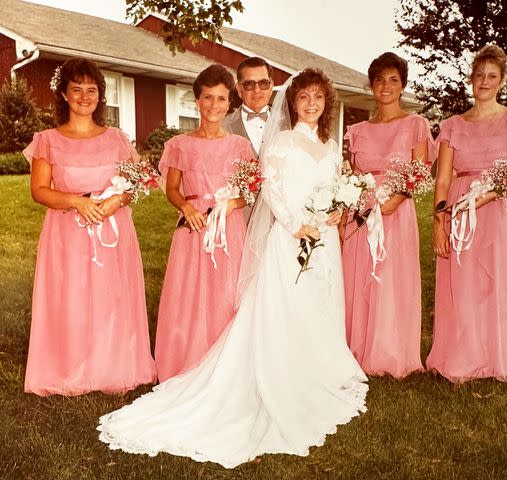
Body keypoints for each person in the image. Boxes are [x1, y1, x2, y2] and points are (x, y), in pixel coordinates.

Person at [98, 68, 368, 468]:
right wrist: (297, 226)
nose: (311, 104)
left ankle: (317, 368)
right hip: (292, 235)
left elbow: (333, 188)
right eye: (303, 98)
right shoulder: (282, 144)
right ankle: (281, 373)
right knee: (286, 308)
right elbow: (272, 192)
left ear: (327, 102)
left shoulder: (330, 147)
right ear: (292, 103)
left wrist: (338, 208)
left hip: (323, 241)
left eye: (318, 98)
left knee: (319, 304)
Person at [23, 58, 156, 396]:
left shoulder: (116, 138)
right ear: (64, 94)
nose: (84, 96)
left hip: (113, 228)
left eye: (91, 90)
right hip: (67, 232)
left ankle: (112, 366)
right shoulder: (47, 139)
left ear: (101, 96)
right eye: (76, 89)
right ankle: (70, 368)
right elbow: (39, 191)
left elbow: (137, 180)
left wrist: (117, 202)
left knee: (111, 297)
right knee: (71, 299)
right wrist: (77, 201)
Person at [427, 45, 507, 383]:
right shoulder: (452, 125)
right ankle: (463, 355)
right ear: (470, 79)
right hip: (460, 208)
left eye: (492, 76)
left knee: (498, 281)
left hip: (498, 209)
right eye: (479, 75)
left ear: (501, 81)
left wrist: (487, 195)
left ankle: (499, 355)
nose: (484, 82)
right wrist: (440, 222)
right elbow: (443, 179)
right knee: (464, 281)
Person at [154, 65, 253, 382]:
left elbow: (251, 189)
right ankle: (188, 357)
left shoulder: (239, 146)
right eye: (208, 97)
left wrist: (231, 204)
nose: (214, 105)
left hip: (229, 224)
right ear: (197, 100)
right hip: (194, 225)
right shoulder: (180, 144)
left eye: (221, 99)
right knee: (190, 292)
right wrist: (185, 206)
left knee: (226, 292)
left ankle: (226, 362)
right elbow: (172, 188)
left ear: (230, 103)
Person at [340, 52, 433, 378]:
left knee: (391, 279)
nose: (386, 85)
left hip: (396, 211)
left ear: (403, 85)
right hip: (361, 211)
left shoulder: (416, 124)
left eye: (393, 79)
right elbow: (351, 175)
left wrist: (398, 197)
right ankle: (358, 346)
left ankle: (391, 352)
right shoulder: (358, 130)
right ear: (371, 84)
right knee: (360, 276)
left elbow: (420, 172)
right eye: (379, 79)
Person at [222, 57, 274, 156]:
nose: (257, 90)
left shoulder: (288, 124)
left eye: (263, 83)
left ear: (271, 87)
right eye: (249, 84)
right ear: (239, 90)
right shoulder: (222, 127)